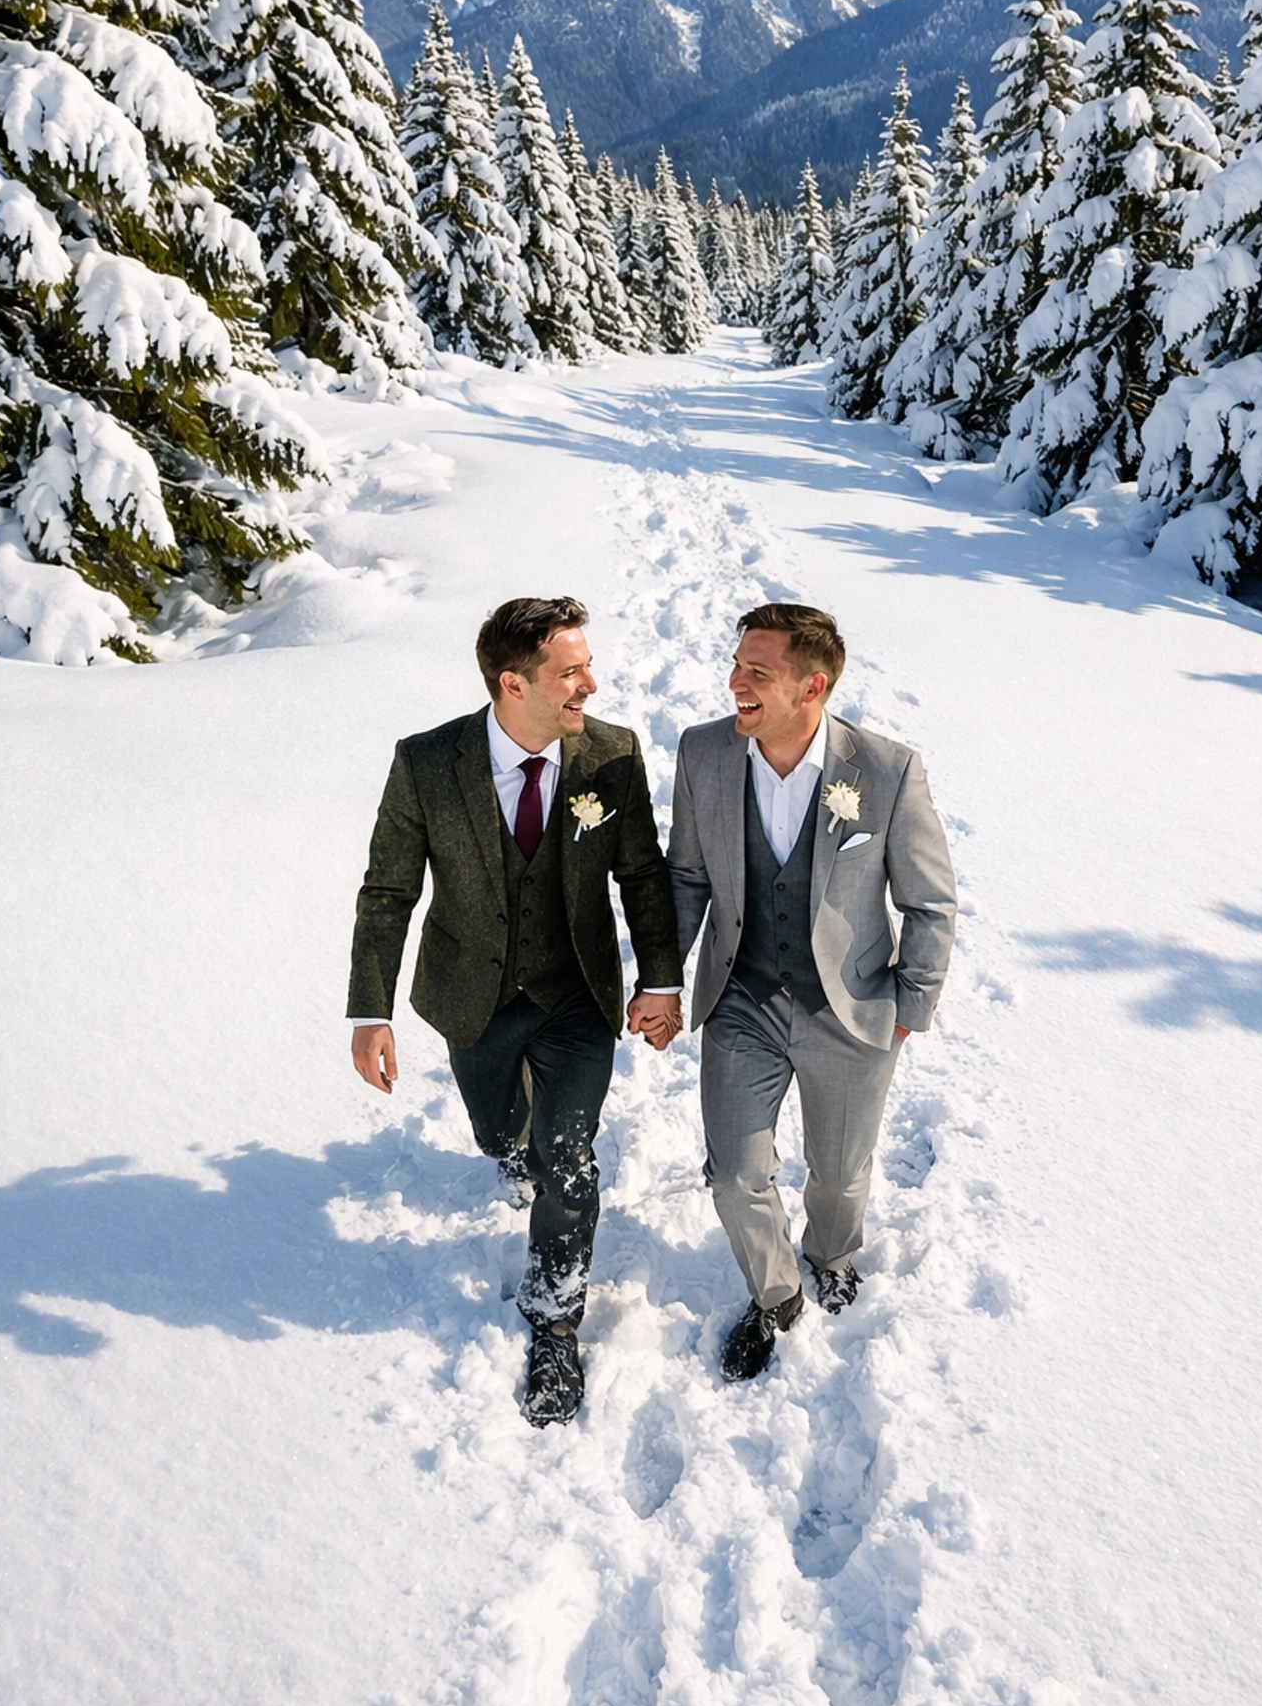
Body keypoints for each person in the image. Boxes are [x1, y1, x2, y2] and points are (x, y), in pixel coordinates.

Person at [347, 596, 683, 1426]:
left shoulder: (610, 756)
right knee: (506, 1137)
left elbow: (640, 875)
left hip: (576, 995)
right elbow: (389, 890)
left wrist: (660, 980)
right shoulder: (427, 763)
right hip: (475, 997)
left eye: (586, 667)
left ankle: (555, 1319)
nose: (590, 686)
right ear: (512, 683)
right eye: (571, 673)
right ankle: (510, 1144)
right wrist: (370, 1011)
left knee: (567, 1157)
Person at [668, 603, 957, 1381]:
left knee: (839, 1174)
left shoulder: (888, 771)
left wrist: (908, 1009)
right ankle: (776, 1297)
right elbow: (688, 876)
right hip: (743, 1000)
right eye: (736, 665)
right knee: (735, 1173)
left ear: (813, 686)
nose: (736, 683)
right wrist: (664, 978)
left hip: (854, 1011)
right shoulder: (704, 754)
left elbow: (930, 903)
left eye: (756, 672)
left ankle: (831, 1255)